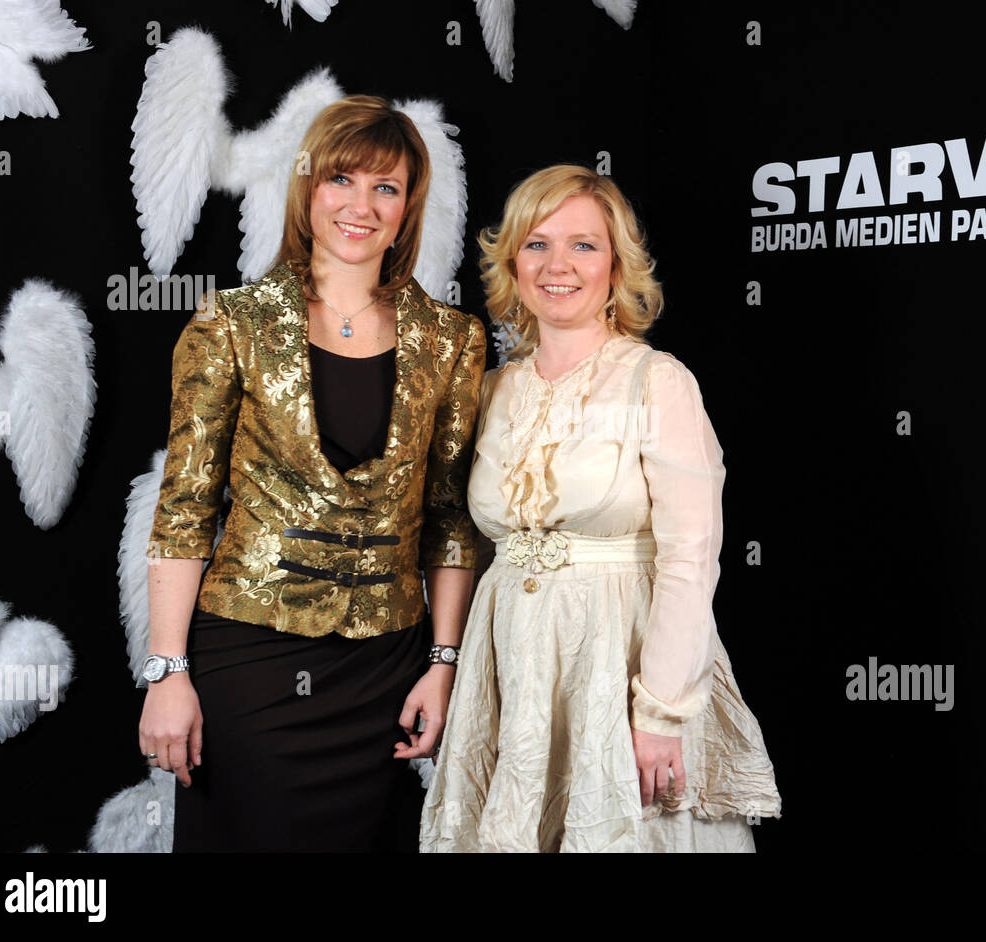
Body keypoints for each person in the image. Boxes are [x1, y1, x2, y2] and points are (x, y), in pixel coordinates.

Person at [139, 95, 487, 852]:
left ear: (408, 207)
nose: (361, 206)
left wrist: (444, 661)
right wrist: (167, 671)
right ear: (308, 189)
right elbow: (186, 505)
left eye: (386, 188)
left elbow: (451, 518)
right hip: (252, 660)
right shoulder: (230, 322)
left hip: (387, 672)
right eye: (342, 180)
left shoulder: (454, 339)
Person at [420, 165, 781, 852]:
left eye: (583, 245)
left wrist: (662, 714)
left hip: (622, 670)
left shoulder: (659, 380)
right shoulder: (491, 390)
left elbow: (689, 558)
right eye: (537, 244)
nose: (559, 266)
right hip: (511, 666)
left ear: (616, 263)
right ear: (511, 261)